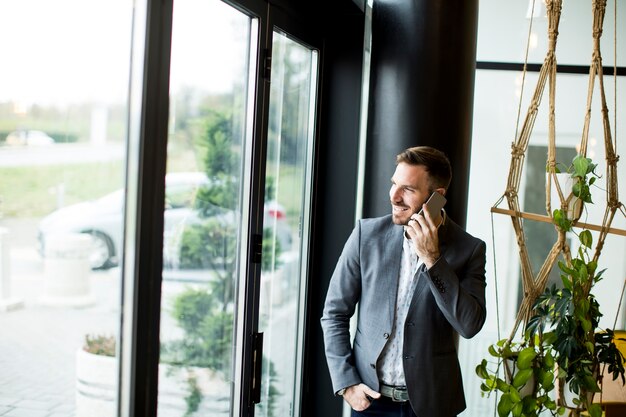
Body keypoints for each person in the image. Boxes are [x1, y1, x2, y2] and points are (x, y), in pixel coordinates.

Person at [320, 146, 487, 417]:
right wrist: (346, 384)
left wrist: (434, 261)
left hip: (431, 407)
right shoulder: (366, 235)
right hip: (370, 401)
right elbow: (334, 313)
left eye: (407, 189)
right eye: (393, 184)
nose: (394, 196)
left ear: (437, 197)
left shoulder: (469, 250)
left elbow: (469, 326)